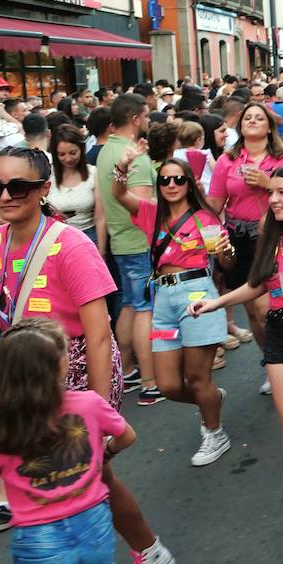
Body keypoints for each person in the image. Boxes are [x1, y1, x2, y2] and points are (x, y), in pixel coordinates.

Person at [0, 147, 176, 564]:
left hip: (77, 368)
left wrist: (97, 408)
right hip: (31, 377)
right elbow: (3, 316)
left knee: (90, 474)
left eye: (16, 186)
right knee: (72, 477)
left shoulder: (70, 244)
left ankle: (144, 552)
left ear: (41, 190)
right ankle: (120, 553)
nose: (3, 195)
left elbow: (99, 333)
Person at [192, 164, 283, 534]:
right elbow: (257, 285)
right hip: (280, 331)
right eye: (271, 192)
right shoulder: (268, 236)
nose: (273, 199)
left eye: (282, 192)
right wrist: (216, 303)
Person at [0, 319, 138, 564]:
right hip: (94, 525)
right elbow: (127, 436)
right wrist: (107, 451)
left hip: (40, 540)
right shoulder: (89, 403)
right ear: (62, 366)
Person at [112, 141, 234, 467]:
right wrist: (123, 166)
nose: (171, 185)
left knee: (197, 378)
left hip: (197, 295)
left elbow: (226, 264)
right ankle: (210, 399)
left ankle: (214, 431)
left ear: (189, 183)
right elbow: (118, 195)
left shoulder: (205, 218)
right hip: (162, 299)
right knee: (166, 385)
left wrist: (225, 249)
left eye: (178, 179)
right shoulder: (150, 213)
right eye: (164, 180)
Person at [206, 102, 283, 386]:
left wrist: (267, 182)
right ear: (240, 125)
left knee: (268, 307)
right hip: (239, 235)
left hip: (275, 236)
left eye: (259, 117)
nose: (253, 121)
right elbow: (215, 204)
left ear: (269, 126)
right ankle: (270, 359)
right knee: (253, 313)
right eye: (248, 117)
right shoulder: (227, 160)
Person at [95, 94, 161, 404]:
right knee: (144, 308)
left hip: (121, 240)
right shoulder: (134, 156)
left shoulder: (106, 150)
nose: (148, 122)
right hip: (139, 241)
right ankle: (150, 383)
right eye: (147, 116)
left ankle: (130, 369)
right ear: (135, 118)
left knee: (131, 305)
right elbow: (144, 207)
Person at [47, 126, 102, 247]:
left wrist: (102, 251)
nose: (68, 159)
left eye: (73, 153)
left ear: (81, 149)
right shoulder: (47, 175)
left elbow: (100, 217)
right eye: (62, 154)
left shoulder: (93, 173)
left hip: (88, 237)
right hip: (55, 239)